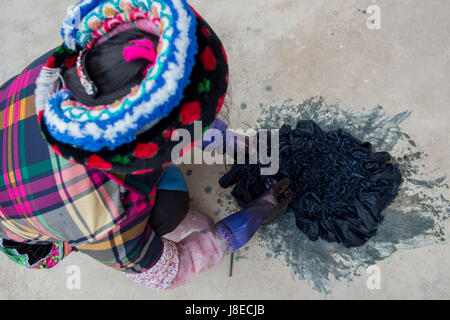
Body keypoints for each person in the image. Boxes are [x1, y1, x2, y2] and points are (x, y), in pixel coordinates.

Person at [0, 0, 292, 290]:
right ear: (141, 151)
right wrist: (241, 223)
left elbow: (171, 105)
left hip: (22, 154)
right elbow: (168, 273)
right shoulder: (103, 214)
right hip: (26, 216)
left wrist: (242, 146)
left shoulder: (83, 58)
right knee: (171, 207)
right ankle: (165, 219)